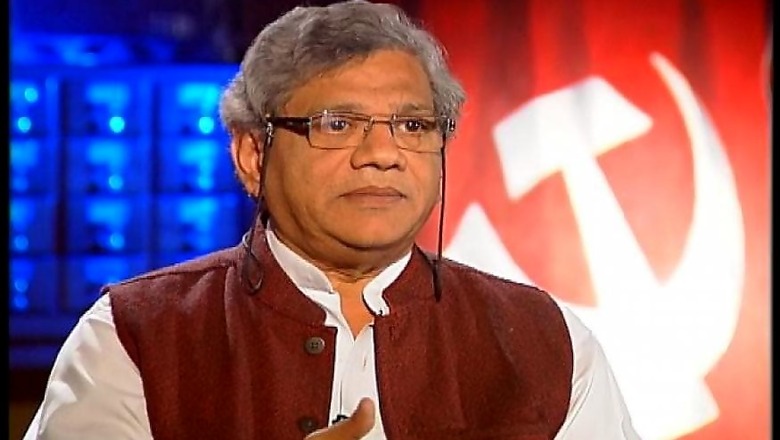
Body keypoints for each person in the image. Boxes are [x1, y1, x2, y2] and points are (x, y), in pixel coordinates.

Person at [23, 1, 640, 439]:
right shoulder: (130, 337)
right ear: (253, 154)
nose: (383, 154)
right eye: (337, 124)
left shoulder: (546, 342)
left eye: (413, 125)